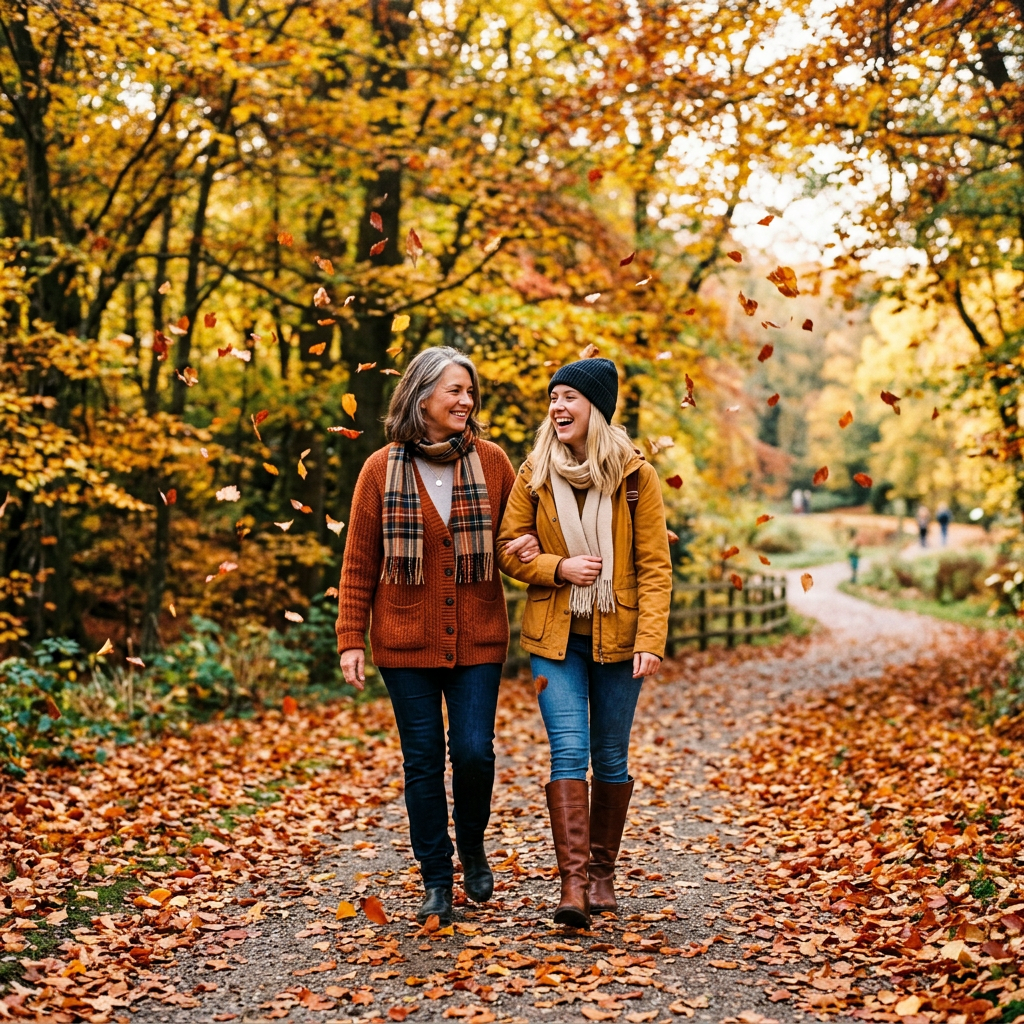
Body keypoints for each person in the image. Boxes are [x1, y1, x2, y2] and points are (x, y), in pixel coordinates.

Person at [336, 346, 529, 926]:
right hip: (403, 642)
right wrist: (350, 637)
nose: (467, 401)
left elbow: (520, 540)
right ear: (422, 397)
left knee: (473, 752)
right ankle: (437, 880)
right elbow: (358, 562)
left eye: (471, 392)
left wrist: (532, 554)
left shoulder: (493, 463)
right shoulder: (379, 468)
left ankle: (471, 841)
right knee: (421, 763)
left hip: (477, 640)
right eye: (455, 391)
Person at [496, 358, 673, 928]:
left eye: (570, 397)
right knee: (569, 752)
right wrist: (556, 566)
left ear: (596, 407)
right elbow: (506, 547)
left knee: (612, 758)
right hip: (555, 638)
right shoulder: (534, 472)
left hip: (619, 639)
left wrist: (651, 637)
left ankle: (601, 872)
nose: (558, 407)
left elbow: (655, 567)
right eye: (553, 397)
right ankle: (572, 884)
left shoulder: (635, 478)